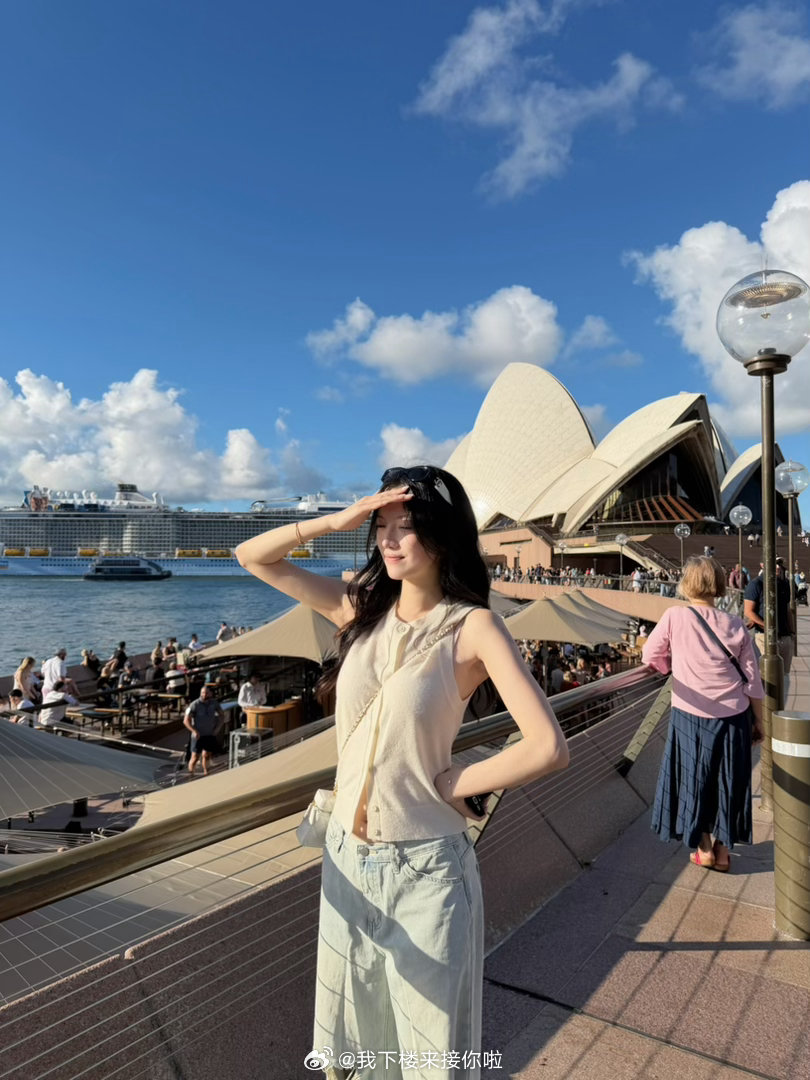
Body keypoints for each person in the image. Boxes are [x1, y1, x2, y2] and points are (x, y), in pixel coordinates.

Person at [235, 464, 569, 1078]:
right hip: (345, 859)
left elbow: (548, 746)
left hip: (425, 872)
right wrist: (337, 521)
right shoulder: (360, 610)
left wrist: (456, 782)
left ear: (442, 537)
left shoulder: (473, 626)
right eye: (381, 526)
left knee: (431, 1059)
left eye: (405, 526)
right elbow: (252, 556)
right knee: (355, 1054)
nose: (388, 540)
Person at [643, 557, 764, 871]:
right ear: (720, 585)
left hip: (690, 714)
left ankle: (704, 849)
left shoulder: (675, 616)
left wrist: (675, 668)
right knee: (729, 780)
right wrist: (760, 721)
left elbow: (651, 655)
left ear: (686, 584)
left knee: (694, 780)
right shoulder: (735, 623)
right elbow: (752, 681)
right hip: (734, 716)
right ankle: (723, 852)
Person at [743, 560, 794, 676]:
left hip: (785, 636)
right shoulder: (756, 584)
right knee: (767, 675)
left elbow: (787, 610)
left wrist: (792, 633)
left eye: (779, 564)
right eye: (774, 563)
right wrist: (767, 626)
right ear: (763, 565)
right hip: (764, 636)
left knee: (784, 675)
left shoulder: (784, 584)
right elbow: (748, 611)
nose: (778, 567)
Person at [183, 684, 225, 776]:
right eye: (202, 693)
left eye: (206, 693)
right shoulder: (195, 704)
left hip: (209, 734)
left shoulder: (214, 703)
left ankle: (207, 773)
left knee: (206, 755)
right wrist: (194, 731)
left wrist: (218, 728)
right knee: (195, 757)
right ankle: (191, 775)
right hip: (198, 735)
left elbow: (222, 715)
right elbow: (186, 721)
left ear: (210, 694)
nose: (204, 695)